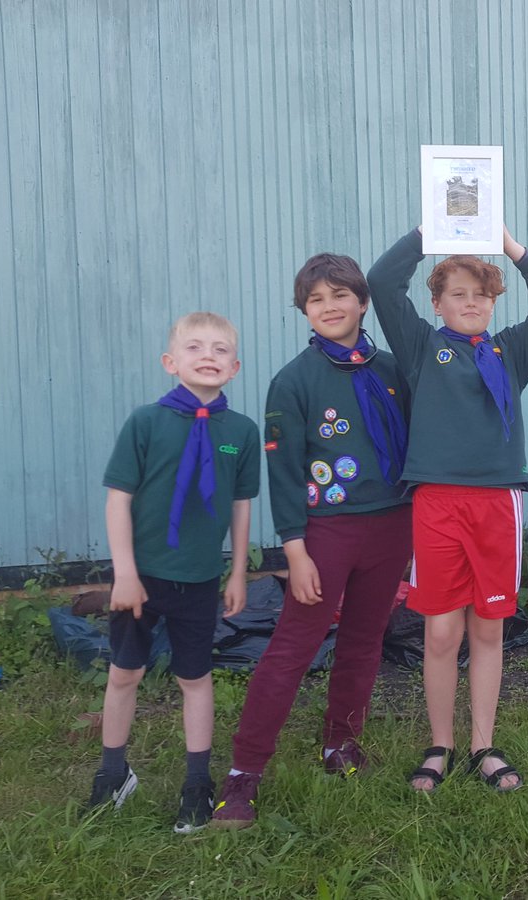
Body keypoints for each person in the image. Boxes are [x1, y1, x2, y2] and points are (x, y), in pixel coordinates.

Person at [211, 254, 413, 828]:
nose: (329, 306)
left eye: (340, 295)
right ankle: (244, 775)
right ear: (304, 308)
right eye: (317, 299)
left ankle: (340, 744)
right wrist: (293, 549)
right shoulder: (294, 380)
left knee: (364, 640)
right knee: (292, 649)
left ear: (363, 301)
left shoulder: (395, 370)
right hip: (325, 534)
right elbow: (285, 472)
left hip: (393, 524)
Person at [367, 224, 528, 793]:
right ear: (437, 303)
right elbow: (383, 281)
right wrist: (431, 229)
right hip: (436, 501)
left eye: (481, 294)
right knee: (439, 633)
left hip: (497, 504)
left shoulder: (510, 352)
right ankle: (441, 744)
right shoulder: (421, 348)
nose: (472, 302)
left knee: (489, 630)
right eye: (458, 293)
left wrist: (507, 244)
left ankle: (483, 743)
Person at [89, 312, 260, 833]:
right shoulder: (146, 422)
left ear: (234, 367)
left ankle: (196, 783)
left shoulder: (241, 432)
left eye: (219, 349)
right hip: (141, 578)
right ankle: (113, 773)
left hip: (201, 578)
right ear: (171, 362)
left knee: (195, 677)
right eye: (194, 347)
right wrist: (124, 573)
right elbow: (119, 499)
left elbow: (240, 504)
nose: (207, 355)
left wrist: (236, 572)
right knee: (125, 673)